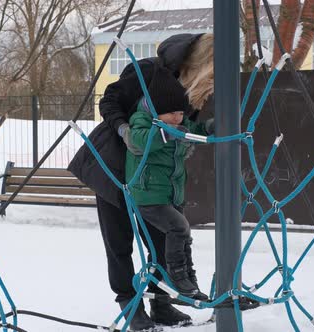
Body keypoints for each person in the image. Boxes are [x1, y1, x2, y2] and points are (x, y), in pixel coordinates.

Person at [68, 33, 214, 331]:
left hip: (154, 176)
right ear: (202, 63)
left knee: (162, 237)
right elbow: (109, 102)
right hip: (115, 165)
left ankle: (161, 303)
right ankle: (130, 304)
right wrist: (125, 132)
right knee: (119, 239)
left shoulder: (192, 89)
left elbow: (183, 130)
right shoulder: (147, 70)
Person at [126, 68, 213, 300]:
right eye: (171, 113)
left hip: (171, 195)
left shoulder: (177, 124)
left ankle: (188, 278)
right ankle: (176, 277)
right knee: (179, 228)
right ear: (155, 111)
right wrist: (164, 134)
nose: (177, 118)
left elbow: (192, 130)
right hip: (147, 196)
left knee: (184, 235)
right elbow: (139, 139)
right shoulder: (141, 121)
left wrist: (208, 128)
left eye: (180, 113)